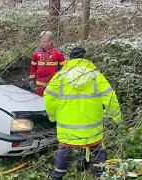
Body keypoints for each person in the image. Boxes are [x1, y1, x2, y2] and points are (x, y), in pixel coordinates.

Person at [43, 46, 122, 180]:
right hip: (92, 127)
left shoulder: (60, 77)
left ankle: (56, 176)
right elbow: (110, 97)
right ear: (84, 58)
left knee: (64, 151)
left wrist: (52, 117)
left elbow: (48, 97)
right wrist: (117, 117)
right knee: (97, 150)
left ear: (70, 58)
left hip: (67, 128)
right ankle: (101, 175)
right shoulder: (96, 76)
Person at [29, 31, 66, 96]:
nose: (42, 43)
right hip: (40, 84)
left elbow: (64, 68)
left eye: (44, 41)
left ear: (50, 41)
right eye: (41, 41)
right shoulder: (37, 52)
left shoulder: (58, 53)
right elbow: (33, 68)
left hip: (53, 84)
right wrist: (32, 79)